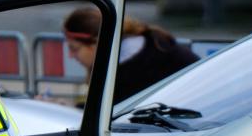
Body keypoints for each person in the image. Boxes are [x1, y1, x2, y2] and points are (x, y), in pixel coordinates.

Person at [62, 6, 198, 103]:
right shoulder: (145, 43)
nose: (71, 56)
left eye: (74, 48)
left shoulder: (128, 70)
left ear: (97, 43)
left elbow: (106, 115)